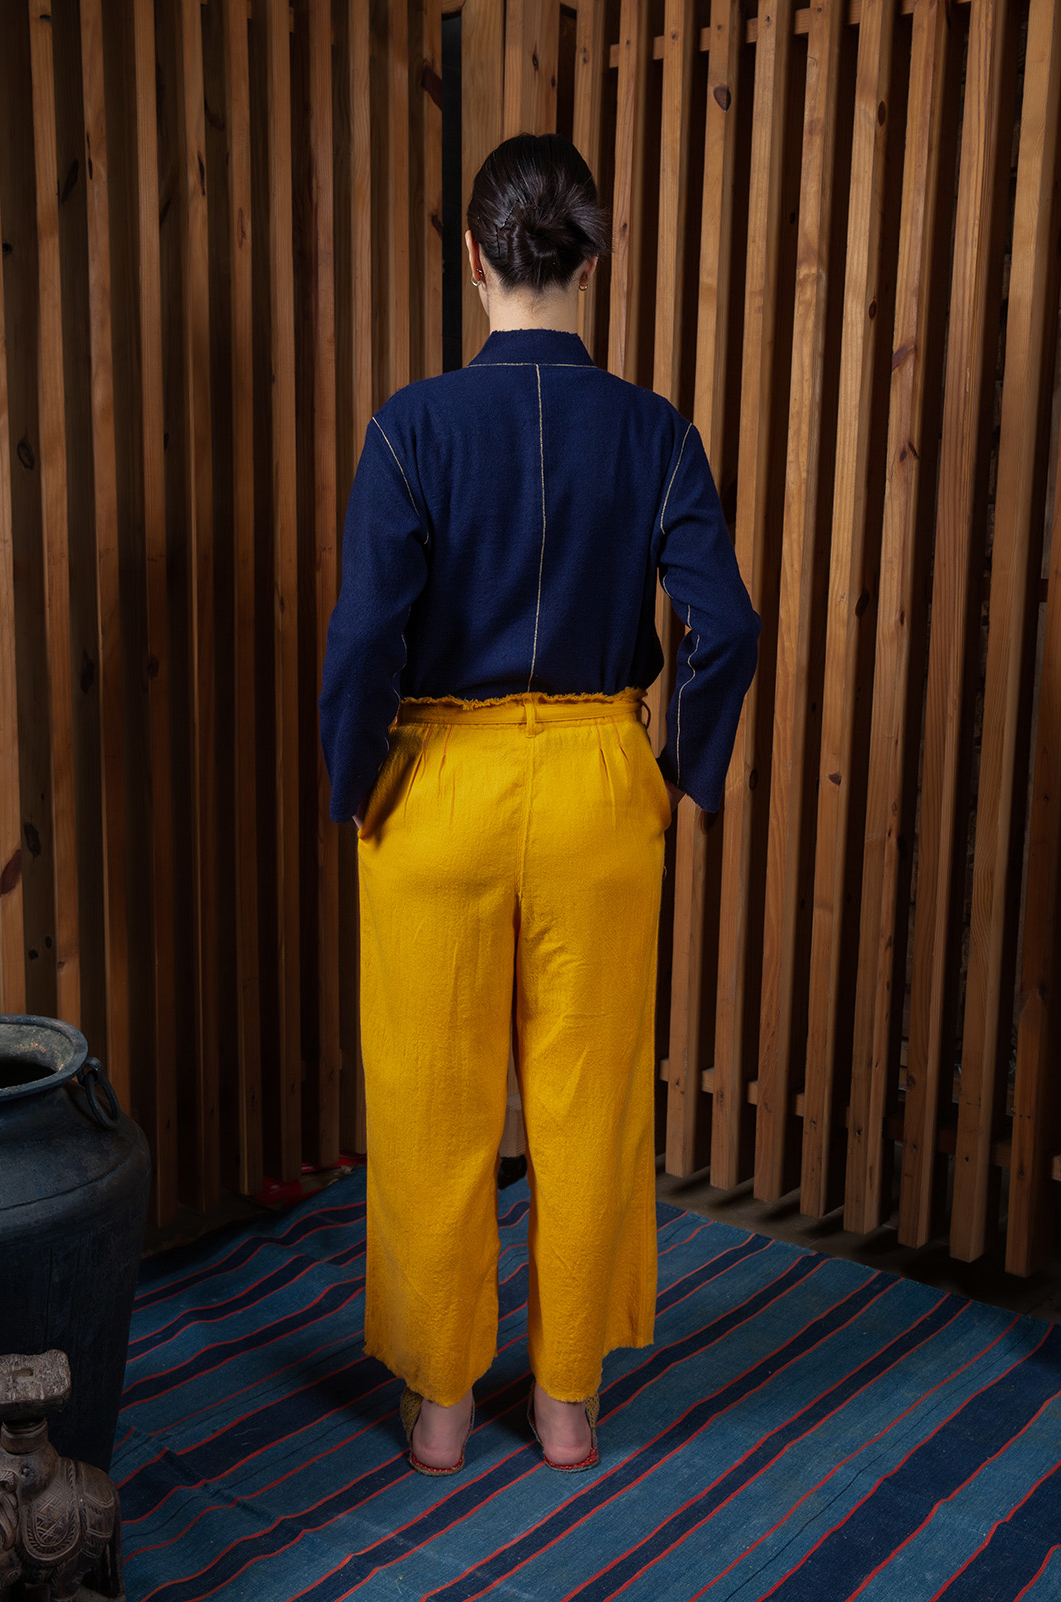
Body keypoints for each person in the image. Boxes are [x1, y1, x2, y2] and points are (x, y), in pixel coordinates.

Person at [319, 133, 760, 1476]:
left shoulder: (409, 428)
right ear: (593, 257)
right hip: (596, 789)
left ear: (473, 257)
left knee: (431, 1101)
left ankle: (444, 1402)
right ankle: (567, 1401)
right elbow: (727, 626)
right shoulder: (657, 432)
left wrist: (356, 784)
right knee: (588, 1102)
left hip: (438, 787)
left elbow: (363, 643)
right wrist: (677, 774)